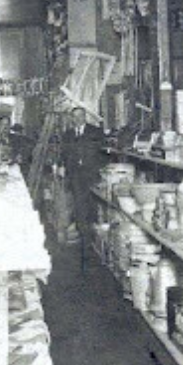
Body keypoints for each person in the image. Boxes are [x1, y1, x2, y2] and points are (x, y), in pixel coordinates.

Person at [59, 107, 106, 266]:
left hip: (93, 176)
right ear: (72, 118)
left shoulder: (96, 132)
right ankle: (86, 245)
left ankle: (95, 241)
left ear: (85, 116)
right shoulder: (68, 135)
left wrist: (101, 170)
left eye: (80, 115)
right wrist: (62, 167)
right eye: (75, 116)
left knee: (94, 207)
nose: (78, 119)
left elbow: (103, 153)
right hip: (76, 177)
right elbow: (64, 155)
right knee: (80, 209)